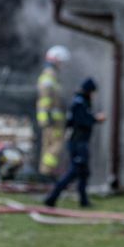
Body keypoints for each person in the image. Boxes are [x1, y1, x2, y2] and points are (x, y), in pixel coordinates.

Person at [43, 77, 105, 208]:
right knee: (74, 172)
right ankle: (52, 197)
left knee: (84, 172)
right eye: (93, 92)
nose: (94, 96)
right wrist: (96, 118)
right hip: (78, 143)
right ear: (89, 91)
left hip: (80, 142)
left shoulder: (81, 102)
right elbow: (82, 122)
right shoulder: (79, 103)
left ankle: (84, 201)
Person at [36, 45, 70, 178]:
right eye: (61, 62)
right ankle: (47, 171)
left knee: (48, 144)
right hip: (53, 119)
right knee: (56, 145)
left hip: (52, 118)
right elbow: (45, 97)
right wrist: (46, 116)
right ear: (56, 60)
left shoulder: (51, 74)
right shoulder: (50, 75)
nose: (62, 65)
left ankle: (45, 171)